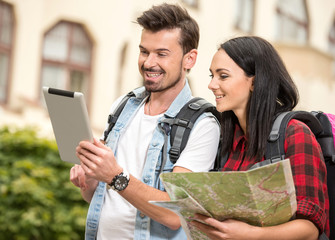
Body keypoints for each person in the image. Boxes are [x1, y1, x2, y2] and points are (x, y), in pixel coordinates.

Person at [70, 3, 220, 240]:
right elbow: (104, 198)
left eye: (161, 54)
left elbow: (175, 213)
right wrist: (89, 182)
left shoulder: (203, 125)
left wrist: (114, 176)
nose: (149, 63)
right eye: (144, 51)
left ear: (189, 59)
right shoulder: (123, 106)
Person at [190, 36, 329, 240]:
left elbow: (310, 230)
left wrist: (249, 234)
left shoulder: (296, 135)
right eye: (212, 75)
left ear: (254, 82)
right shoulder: (226, 139)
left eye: (223, 76)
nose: (212, 84)